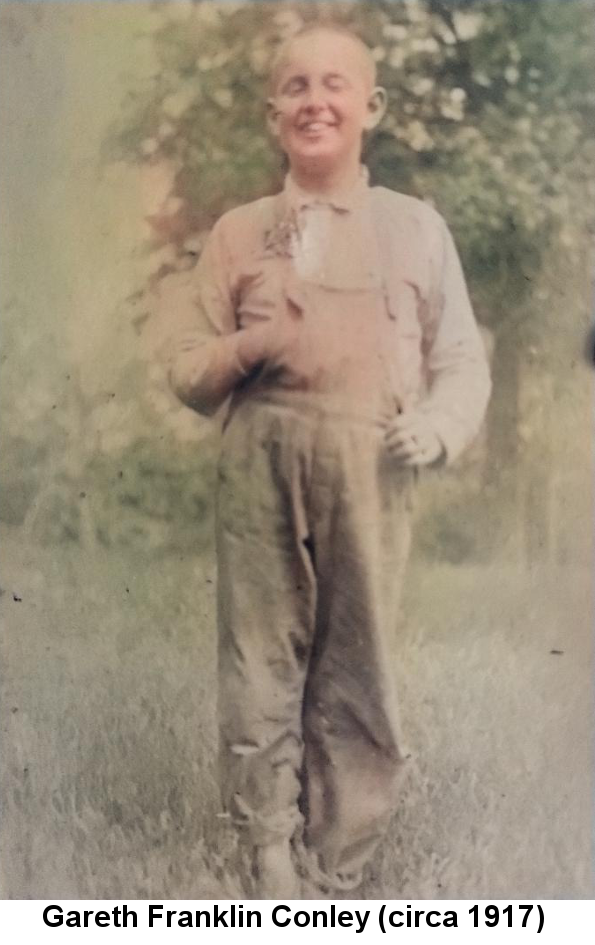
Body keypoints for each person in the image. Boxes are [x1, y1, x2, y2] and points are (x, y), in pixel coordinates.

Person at [165, 23, 491, 898]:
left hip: (374, 466)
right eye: (297, 87)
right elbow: (185, 368)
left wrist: (438, 424)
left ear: (369, 107)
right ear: (275, 115)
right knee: (260, 656)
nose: (317, 101)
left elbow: (461, 360)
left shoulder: (416, 230)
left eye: (336, 85)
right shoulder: (239, 233)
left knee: (360, 660)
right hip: (261, 462)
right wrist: (252, 345)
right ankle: (270, 849)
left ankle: (339, 857)